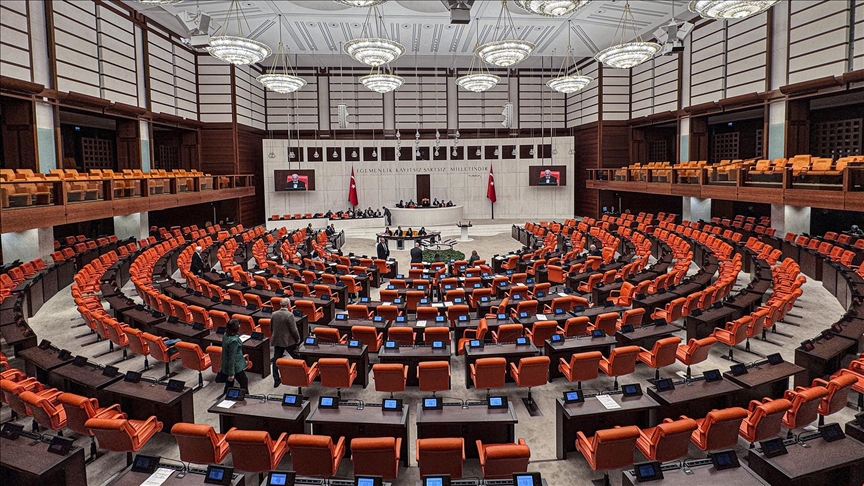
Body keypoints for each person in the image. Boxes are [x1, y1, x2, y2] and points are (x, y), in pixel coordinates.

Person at [270, 298, 301, 387]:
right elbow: (294, 330)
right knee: (298, 358)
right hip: (288, 341)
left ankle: (276, 380)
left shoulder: (274, 314)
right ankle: (301, 376)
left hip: (277, 340)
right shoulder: (289, 315)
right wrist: (298, 339)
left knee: (276, 360)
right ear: (288, 305)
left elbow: (271, 328)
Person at [221, 319, 249, 393]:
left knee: (229, 383)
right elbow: (232, 358)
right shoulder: (234, 341)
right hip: (235, 366)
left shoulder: (225, 335)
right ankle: (245, 397)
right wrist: (231, 373)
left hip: (227, 364)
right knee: (244, 381)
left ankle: (225, 395)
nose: (239, 326)